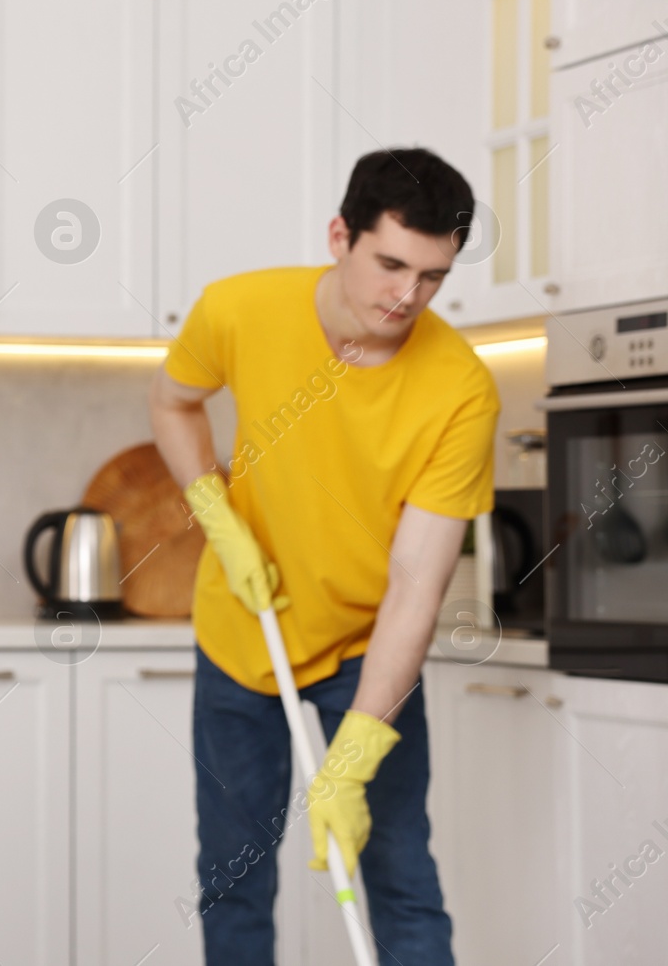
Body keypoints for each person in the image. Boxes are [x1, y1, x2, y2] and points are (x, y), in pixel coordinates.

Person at [150, 147, 498, 964]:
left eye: (432, 276)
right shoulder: (238, 309)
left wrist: (357, 754)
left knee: (401, 872)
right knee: (234, 875)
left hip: (364, 649)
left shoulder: (461, 389)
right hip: (244, 634)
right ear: (340, 235)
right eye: (390, 264)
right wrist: (217, 512)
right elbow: (173, 403)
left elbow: (417, 583)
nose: (406, 296)